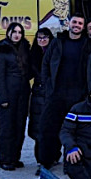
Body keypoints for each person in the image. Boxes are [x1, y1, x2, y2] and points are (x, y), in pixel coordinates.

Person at [39, 13, 91, 169]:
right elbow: (46, 64)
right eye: (74, 22)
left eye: (80, 23)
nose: (76, 25)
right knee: (48, 129)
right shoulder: (57, 42)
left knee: (76, 131)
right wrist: (48, 86)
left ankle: (73, 163)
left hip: (78, 96)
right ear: (69, 23)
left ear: (83, 27)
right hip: (56, 94)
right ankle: (47, 161)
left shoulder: (88, 44)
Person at [0, 22, 31, 171]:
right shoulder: (2, 50)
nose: (17, 35)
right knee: (6, 128)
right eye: (14, 31)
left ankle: (15, 157)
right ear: (8, 32)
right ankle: (5, 159)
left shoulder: (24, 48)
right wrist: (2, 98)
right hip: (8, 94)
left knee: (19, 126)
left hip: (22, 93)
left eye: (20, 32)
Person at [28, 27, 53, 167]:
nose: (42, 40)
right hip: (38, 94)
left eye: (45, 37)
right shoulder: (33, 54)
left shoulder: (54, 53)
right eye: (39, 38)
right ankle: (41, 160)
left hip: (50, 94)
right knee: (39, 128)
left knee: (51, 128)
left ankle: (52, 156)